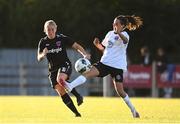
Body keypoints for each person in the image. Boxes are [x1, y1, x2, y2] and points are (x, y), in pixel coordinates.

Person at [60, 15, 143, 118]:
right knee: (87, 72)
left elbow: (125, 41)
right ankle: (71, 85)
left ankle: (134, 111)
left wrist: (119, 33)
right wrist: (97, 45)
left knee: (120, 91)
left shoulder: (125, 34)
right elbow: (104, 49)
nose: (114, 25)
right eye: (113, 23)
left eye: (116, 24)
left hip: (117, 67)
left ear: (122, 26)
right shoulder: (109, 34)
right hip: (105, 63)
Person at [37, 20, 90, 117]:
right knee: (61, 91)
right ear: (45, 30)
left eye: (52, 29)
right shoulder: (43, 42)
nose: (51, 31)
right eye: (48, 30)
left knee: (60, 79)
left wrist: (84, 54)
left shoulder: (61, 38)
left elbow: (76, 46)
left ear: (56, 29)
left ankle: (78, 95)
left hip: (65, 65)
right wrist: (43, 54)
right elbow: (39, 57)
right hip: (52, 70)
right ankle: (77, 113)